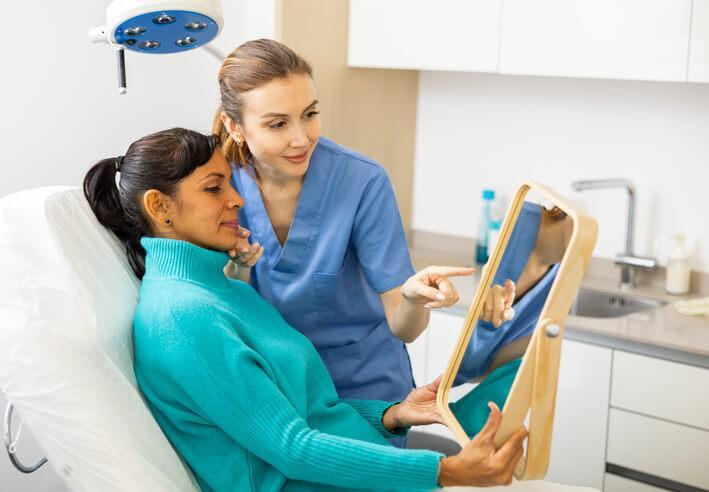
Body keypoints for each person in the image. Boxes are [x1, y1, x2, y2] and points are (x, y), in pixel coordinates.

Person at [83, 128, 527, 491]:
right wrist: (445, 472)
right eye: (214, 188)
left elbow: (308, 413)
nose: (236, 199)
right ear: (160, 207)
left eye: (230, 184)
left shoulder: (220, 288)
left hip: (348, 473)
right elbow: (291, 448)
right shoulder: (182, 319)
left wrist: (392, 415)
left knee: (525, 372)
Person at [212, 39, 486, 412]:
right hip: (273, 390)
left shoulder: (362, 181)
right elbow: (218, 307)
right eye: (277, 124)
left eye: (310, 114)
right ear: (235, 125)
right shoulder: (216, 186)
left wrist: (411, 299)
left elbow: (405, 328)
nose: (301, 138)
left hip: (367, 391)